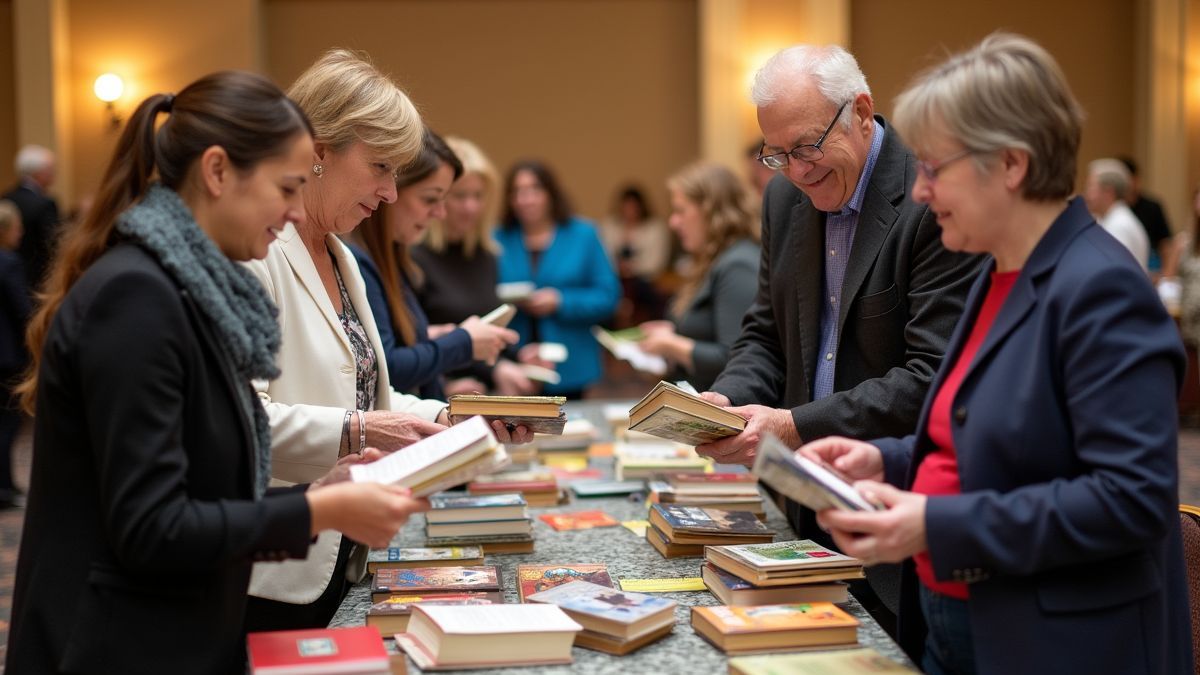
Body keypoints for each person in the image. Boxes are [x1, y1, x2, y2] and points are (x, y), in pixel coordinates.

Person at [5, 71, 428, 675]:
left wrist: (323, 493)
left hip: (172, 627)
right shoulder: (137, 295)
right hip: (112, 642)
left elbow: (212, 472)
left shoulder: (184, 288)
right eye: (284, 187)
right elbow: (152, 527)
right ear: (217, 172)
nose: (290, 211)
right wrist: (320, 510)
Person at [803, 34, 1191, 675]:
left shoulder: (1102, 288)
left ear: (1011, 165)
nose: (920, 192)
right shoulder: (994, 273)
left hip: (1061, 642)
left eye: (934, 168)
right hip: (962, 613)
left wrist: (936, 525)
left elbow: (1131, 499)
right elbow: (978, 440)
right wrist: (884, 458)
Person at [242, 49, 528, 631]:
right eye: (381, 168)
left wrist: (457, 419)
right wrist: (363, 430)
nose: (392, 194)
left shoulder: (342, 254)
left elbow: (371, 395)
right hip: (273, 566)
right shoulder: (258, 255)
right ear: (318, 153)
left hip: (344, 555)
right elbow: (243, 422)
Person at [694, 44, 980, 620]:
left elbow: (931, 377)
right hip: (800, 506)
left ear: (861, 111)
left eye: (807, 146)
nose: (798, 170)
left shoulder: (929, 201)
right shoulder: (782, 198)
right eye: (777, 154)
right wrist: (728, 398)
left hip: (893, 514)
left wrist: (794, 424)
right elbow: (765, 331)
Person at [352, 128, 517, 401]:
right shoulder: (362, 260)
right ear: (391, 191)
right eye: (430, 199)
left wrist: (434, 338)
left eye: (478, 196)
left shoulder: (395, 257)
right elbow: (385, 368)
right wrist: (460, 343)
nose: (440, 212)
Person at [412, 137, 542, 396]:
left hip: (486, 394)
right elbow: (414, 343)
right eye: (460, 196)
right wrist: (444, 383)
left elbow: (484, 326)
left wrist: (518, 356)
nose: (470, 207)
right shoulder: (416, 257)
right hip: (436, 395)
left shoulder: (486, 255)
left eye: (478, 196)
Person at [495, 160, 620, 399]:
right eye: (517, 192)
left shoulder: (583, 234)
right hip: (514, 360)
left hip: (570, 360)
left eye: (534, 189)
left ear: (550, 194)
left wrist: (560, 301)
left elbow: (608, 295)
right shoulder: (498, 238)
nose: (526, 199)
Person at [635, 162, 759, 391]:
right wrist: (671, 333)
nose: (673, 222)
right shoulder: (712, 258)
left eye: (681, 211)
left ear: (712, 211)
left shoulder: (738, 264)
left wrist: (670, 344)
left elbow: (737, 360)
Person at [598, 184, 671, 325]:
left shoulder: (655, 228)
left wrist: (631, 268)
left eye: (633, 206)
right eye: (626, 206)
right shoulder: (610, 225)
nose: (629, 211)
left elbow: (655, 263)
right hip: (615, 280)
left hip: (643, 282)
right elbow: (602, 256)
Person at [0, 200, 27, 508]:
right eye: (17, 227)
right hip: (6, 357)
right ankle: (4, 488)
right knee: (8, 424)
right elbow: (22, 309)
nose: (21, 234)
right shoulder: (9, 263)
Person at [4, 144, 60, 291]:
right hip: (38, 279)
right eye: (50, 170)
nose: (54, 174)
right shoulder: (45, 204)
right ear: (38, 173)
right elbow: (53, 244)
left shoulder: (5, 198)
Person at [1083, 158, 1150, 271]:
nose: (1086, 194)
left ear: (1109, 192)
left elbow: (1113, 271)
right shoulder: (1110, 219)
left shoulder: (1119, 226)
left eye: (1091, 187)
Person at [1118, 155, 1174, 274]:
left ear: (1135, 179)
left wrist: (1164, 275)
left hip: (1152, 268)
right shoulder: (1115, 210)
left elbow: (1166, 244)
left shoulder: (1152, 207)